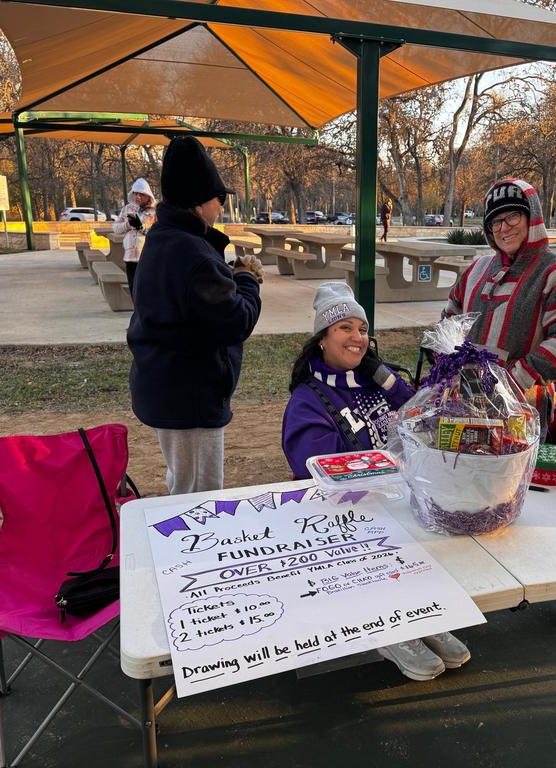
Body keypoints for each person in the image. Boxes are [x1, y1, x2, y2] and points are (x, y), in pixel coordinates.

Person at [281, 282, 470, 681]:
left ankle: (421, 616)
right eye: (344, 328)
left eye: (362, 329)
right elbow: (313, 467)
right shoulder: (308, 399)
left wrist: (385, 377)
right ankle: (387, 627)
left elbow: (423, 414)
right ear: (322, 340)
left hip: (395, 498)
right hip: (345, 513)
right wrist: (388, 471)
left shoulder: (372, 382)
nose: (357, 337)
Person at [443, 178, 556, 631]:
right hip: (464, 404)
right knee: (466, 494)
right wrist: (445, 363)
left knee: (521, 497)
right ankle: (471, 584)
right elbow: (449, 322)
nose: (504, 227)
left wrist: (512, 381)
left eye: (512, 217)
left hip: (519, 410)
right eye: (495, 221)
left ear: (531, 218)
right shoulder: (474, 271)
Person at [127, 136, 265, 495]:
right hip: (188, 395)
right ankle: (190, 551)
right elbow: (236, 321)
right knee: (199, 493)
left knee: (182, 479)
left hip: (167, 385)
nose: (220, 207)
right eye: (219, 199)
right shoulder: (194, 254)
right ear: (200, 200)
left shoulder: (164, 238)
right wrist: (248, 279)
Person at [113, 177, 156, 296]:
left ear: (148, 195)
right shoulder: (127, 209)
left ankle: (145, 313)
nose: (138, 197)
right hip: (130, 258)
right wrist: (127, 224)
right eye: (135, 193)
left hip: (147, 257)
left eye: (141, 194)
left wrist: (141, 227)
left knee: (146, 290)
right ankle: (137, 313)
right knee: (133, 290)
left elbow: (157, 234)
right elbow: (116, 228)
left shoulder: (155, 211)